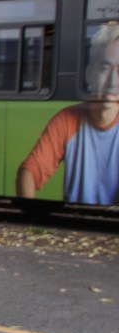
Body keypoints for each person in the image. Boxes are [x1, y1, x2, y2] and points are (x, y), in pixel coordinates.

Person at [16, 22, 119, 204]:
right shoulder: (67, 120)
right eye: (105, 68)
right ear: (89, 74)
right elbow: (30, 171)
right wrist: (28, 214)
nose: (112, 82)